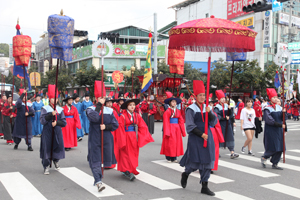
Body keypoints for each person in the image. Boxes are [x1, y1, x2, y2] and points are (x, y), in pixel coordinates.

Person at [180, 80, 217, 196]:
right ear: (195, 97)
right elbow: (190, 126)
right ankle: (186, 174)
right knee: (194, 161)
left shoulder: (207, 107)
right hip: (196, 137)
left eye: (203, 95)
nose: (202, 97)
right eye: (200, 95)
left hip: (207, 137)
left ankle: (204, 186)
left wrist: (210, 113)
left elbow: (214, 121)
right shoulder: (190, 109)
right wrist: (201, 134)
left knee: (207, 161)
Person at [86, 81, 119, 192]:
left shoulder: (110, 110)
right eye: (100, 98)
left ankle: (97, 178)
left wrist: (106, 126)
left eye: (103, 98)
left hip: (106, 138)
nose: (102, 99)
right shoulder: (90, 109)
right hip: (95, 137)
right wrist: (99, 106)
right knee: (95, 159)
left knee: (104, 161)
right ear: (96, 98)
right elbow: (94, 118)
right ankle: (98, 182)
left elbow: (115, 125)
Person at [115, 98, 154, 181]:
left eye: (133, 105)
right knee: (125, 154)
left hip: (134, 136)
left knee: (133, 153)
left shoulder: (137, 115)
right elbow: (120, 129)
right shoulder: (122, 116)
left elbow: (142, 126)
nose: (132, 106)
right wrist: (122, 141)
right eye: (130, 105)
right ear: (127, 106)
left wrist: (142, 135)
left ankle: (131, 169)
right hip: (125, 136)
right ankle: (127, 171)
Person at [40, 85, 66, 175]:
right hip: (47, 131)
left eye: (56, 99)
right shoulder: (45, 108)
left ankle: (56, 160)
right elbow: (42, 121)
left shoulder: (60, 109)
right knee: (47, 147)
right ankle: (46, 165)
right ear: (50, 99)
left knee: (57, 146)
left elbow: (64, 122)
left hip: (57, 131)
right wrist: (50, 114)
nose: (54, 100)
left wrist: (57, 123)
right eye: (52, 99)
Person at [261, 88, 287, 170]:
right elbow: (269, 120)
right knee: (273, 146)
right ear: (270, 99)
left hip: (279, 130)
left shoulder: (280, 107)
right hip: (271, 130)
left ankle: (275, 163)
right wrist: (280, 125)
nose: (276, 99)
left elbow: (284, 118)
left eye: (276, 97)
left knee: (281, 146)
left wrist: (284, 113)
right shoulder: (267, 108)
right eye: (274, 97)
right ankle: (265, 157)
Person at [160, 91, 186, 163]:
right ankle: (169, 157)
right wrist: (167, 131)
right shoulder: (167, 112)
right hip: (170, 127)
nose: (174, 103)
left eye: (175, 102)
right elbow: (166, 122)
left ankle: (174, 157)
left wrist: (183, 131)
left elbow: (181, 121)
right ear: (170, 103)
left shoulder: (178, 111)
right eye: (172, 102)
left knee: (176, 142)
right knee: (170, 142)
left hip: (177, 128)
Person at [214, 90, 239, 159]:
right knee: (219, 137)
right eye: (221, 98)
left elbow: (231, 114)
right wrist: (224, 118)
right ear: (219, 99)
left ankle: (232, 152)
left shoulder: (227, 105)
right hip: (221, 124)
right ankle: (216, 152)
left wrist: (230, 110)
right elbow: (216, 116)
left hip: (228, 124)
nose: (223, 99)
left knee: (230, 137)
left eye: (224, 98)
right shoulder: (217, 107)